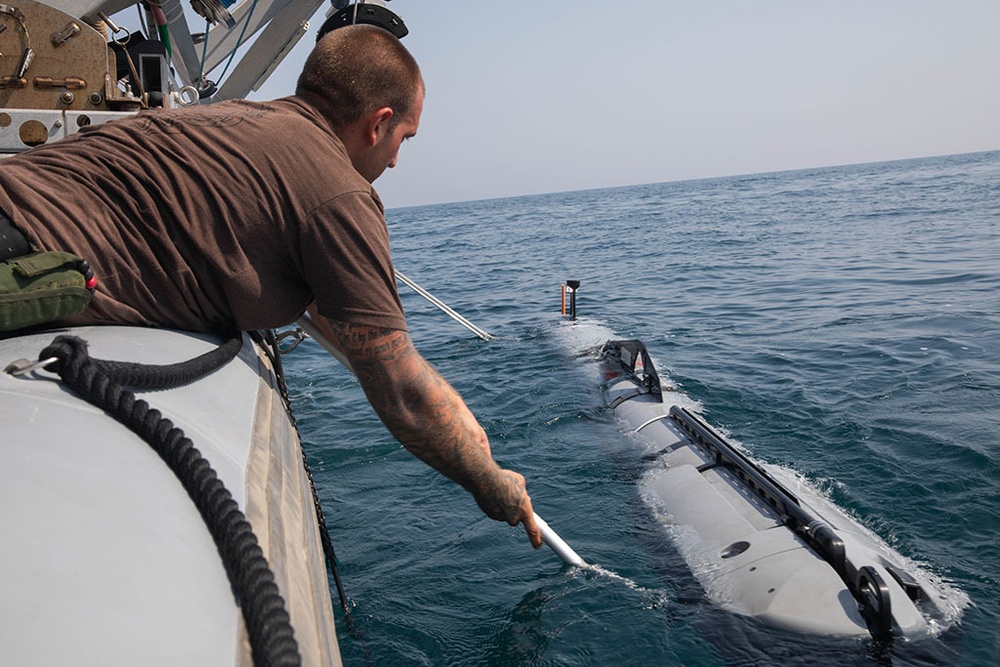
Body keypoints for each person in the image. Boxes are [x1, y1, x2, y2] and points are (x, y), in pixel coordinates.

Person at [0, 24, 542, 548]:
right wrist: (490, 485)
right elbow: (399, 388)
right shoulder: (338, 192)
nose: (398, 159)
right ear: (377, 124)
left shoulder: (230, 122)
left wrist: (480, 448)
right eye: (404, 137)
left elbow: (360, 334)